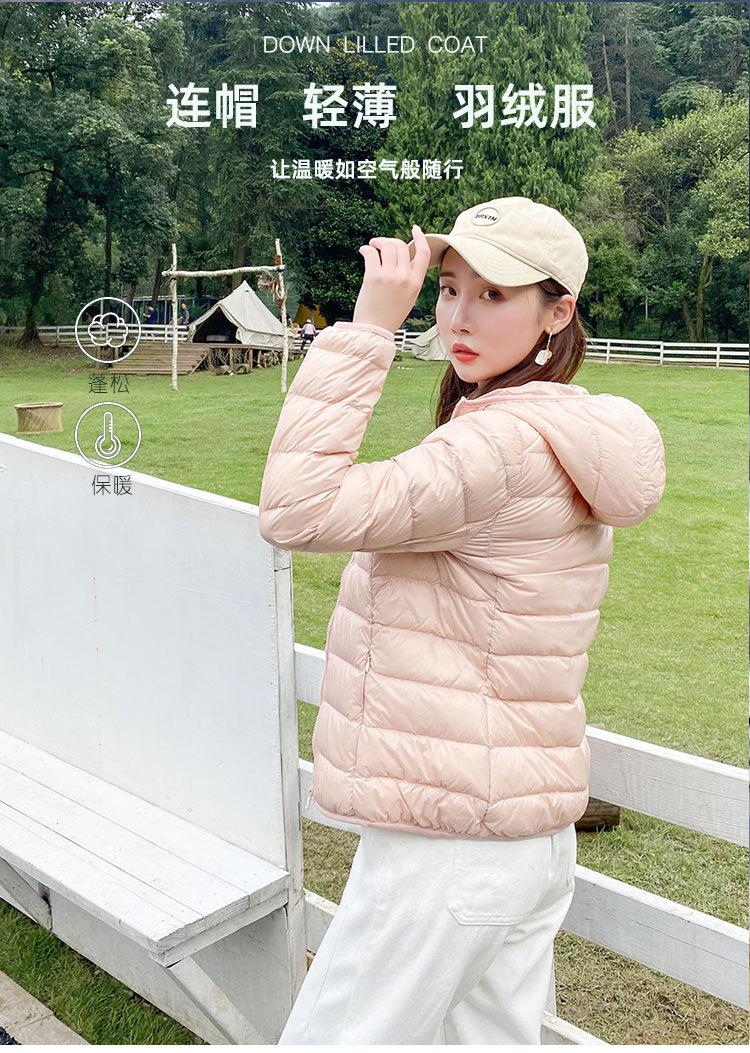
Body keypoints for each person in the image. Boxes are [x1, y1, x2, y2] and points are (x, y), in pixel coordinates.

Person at [258, 197, 667, 1044]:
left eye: (493, 295)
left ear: (557, 313)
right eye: (450, 289)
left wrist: (367, 330)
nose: (457, 317)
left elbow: (298, 508)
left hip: (449, 845)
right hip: (519, 835)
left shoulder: (499, 447)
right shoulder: (554, 429)